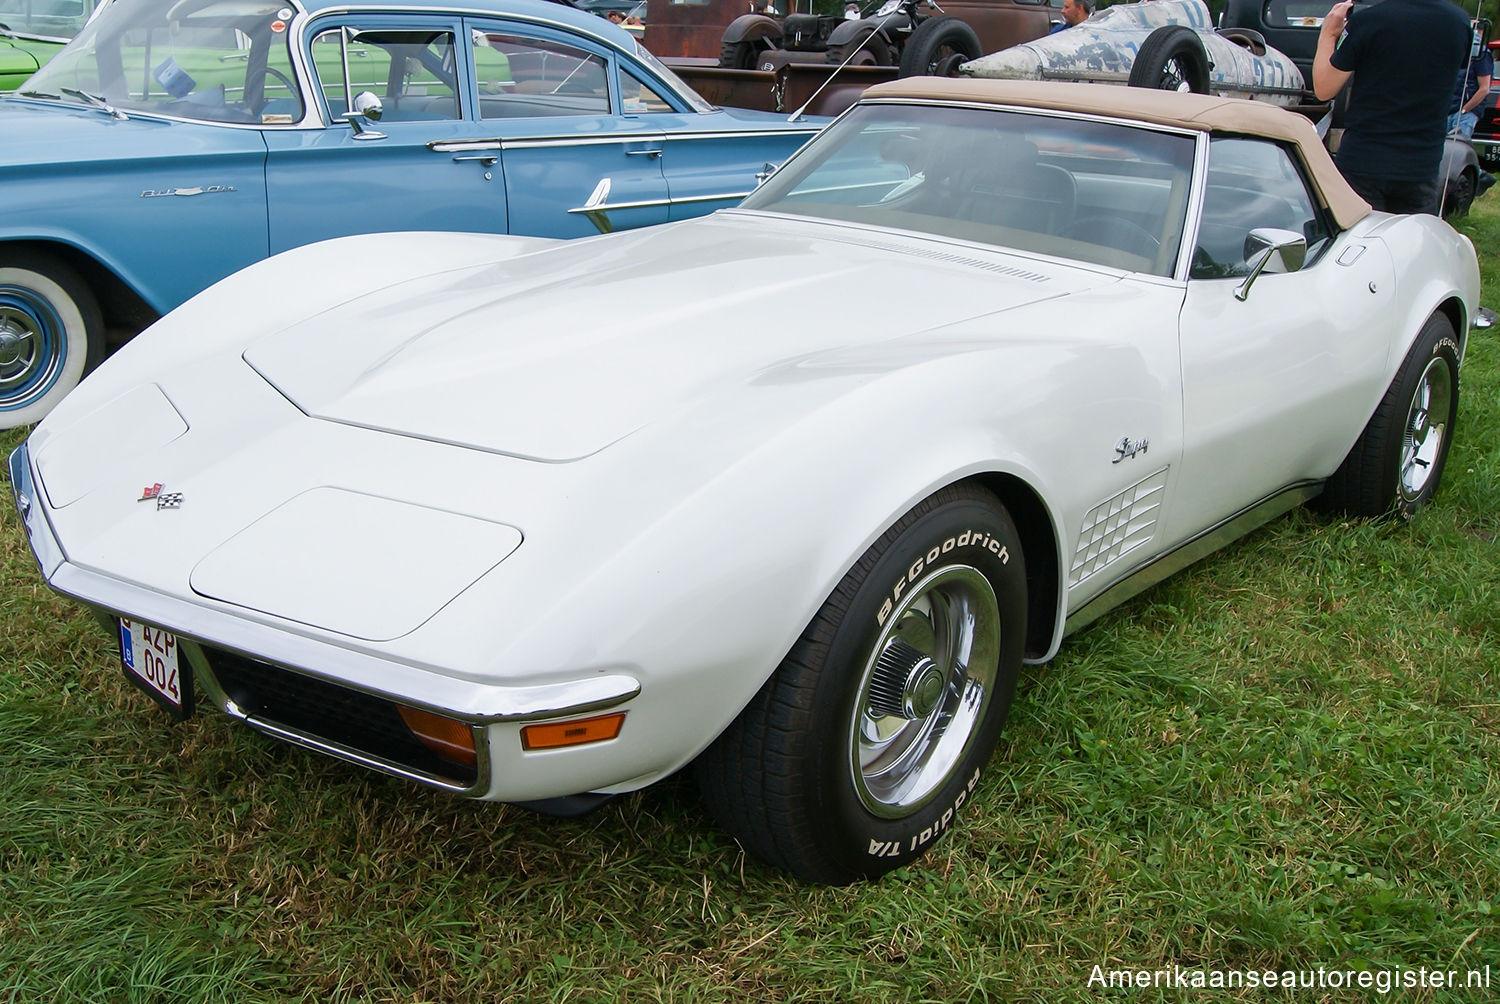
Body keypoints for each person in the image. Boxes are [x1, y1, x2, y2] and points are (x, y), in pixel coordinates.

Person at [1313, 0, 1470, 214]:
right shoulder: (1459, 22)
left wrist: (1329, 34)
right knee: (1411, 242)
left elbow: (1324, 89)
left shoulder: (1368, 21)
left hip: (1364, 161)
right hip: (1422, 165)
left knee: (1360, 241)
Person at [1448, 36, 1493, 139]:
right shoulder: (1457, 51)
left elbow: (1484, 89)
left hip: (1465, 113)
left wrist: (1464, 110)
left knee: (1457, 148)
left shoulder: (1480, 53)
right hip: (1449, 109)